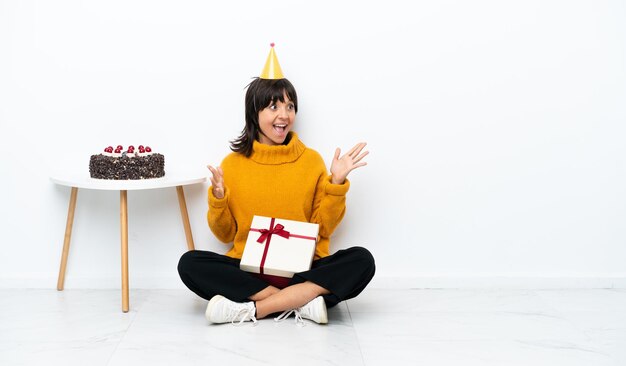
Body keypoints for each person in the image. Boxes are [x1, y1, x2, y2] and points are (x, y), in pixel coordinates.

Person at [177, 44, 375, 325]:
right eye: (274, 106)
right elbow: (224, 235)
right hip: (251, 270)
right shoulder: (232, 164)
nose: (285, 115)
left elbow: (325, 227)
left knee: (362, 260)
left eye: (290, 106)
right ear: (254, 113)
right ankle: (301, 302)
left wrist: (337, 182)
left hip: (304, 268)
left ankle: (256, 309)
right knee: (190, 264)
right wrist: (218, 198)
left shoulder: (311, 161)